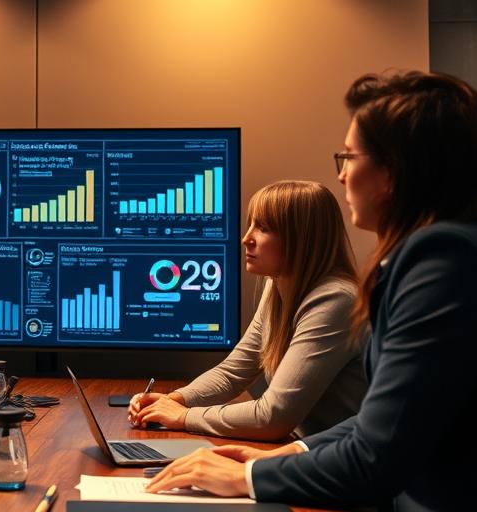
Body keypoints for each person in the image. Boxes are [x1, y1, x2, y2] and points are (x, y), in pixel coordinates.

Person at [147, 72, 477, 512]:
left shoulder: (442, 257)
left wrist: (247, 475)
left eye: (350, 157)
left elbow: (375, 454)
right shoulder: (447, 250)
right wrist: (294, 452)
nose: (343, 174)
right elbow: (383, 422)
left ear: (395, 172)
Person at [128, 180, 366, 440]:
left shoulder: (336, 300)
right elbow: (232, 373)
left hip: (342, 466)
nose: (246, 239)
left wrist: (183, 417)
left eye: (263, 228)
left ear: (302, 239)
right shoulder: (276, 285)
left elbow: (273, 417)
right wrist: (174, 400)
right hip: (303, 450)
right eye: (251, 224)